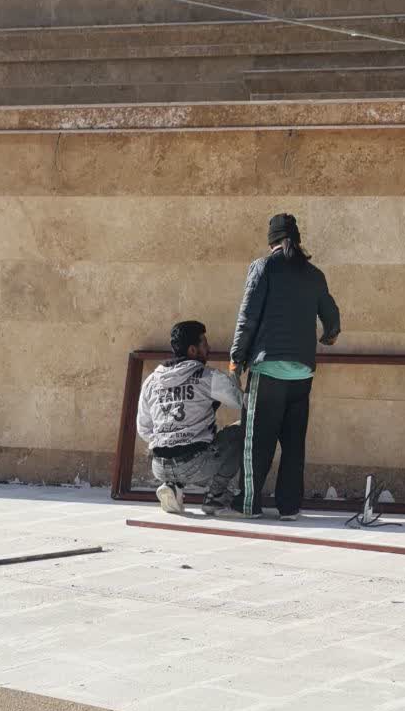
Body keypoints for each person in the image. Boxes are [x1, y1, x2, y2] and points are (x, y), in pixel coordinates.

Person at [229, 213, 341, 521]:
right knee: (293, 444)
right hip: (302, 372)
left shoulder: (263, 267)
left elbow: (248, 315)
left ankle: (249, 503)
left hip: (268, 370)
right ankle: (289, 506)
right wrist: (328, 336)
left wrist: (236, 358)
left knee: (257, 441)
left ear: (272, 241)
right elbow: (332, 318)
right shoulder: (314, 275)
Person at [137, 320, 243, 516]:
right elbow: (242, 403)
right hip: (195, 466)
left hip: (158, 465)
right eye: (205, 344)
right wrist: (235, 377)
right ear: (193, 350)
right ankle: (217, 497)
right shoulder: (208, 376)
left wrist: (170, 439)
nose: (209, 348)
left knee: (185, 448)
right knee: (244, 431)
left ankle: (172, 485)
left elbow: (143, 428)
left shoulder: (152, 381)